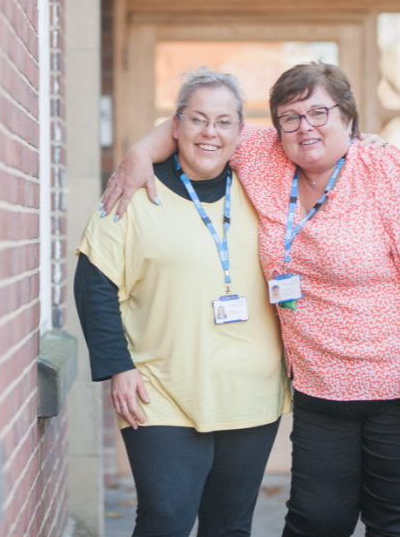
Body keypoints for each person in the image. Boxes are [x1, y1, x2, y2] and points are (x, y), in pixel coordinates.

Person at [101, 62, 400, 537]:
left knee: (396, 521)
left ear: (349, 119)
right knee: (315, 520)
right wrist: (138, 156)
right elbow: (198, 124)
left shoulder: (385, 170)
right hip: (320, 384)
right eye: (289, 117)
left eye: (319, 113)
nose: (304, 127)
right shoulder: (265, 155)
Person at [75, 68, 291, 537]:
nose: (210, 132)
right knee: (166, 518)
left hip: (250, 392)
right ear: (175, 127)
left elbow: (321, 145)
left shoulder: (263, 184)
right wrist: (117, 366)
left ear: (242, 132)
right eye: (197, 120)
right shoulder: (132, 193)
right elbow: (94, 283)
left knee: (229, 525)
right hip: (160, 389)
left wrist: (368, 144)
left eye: (223, 122)